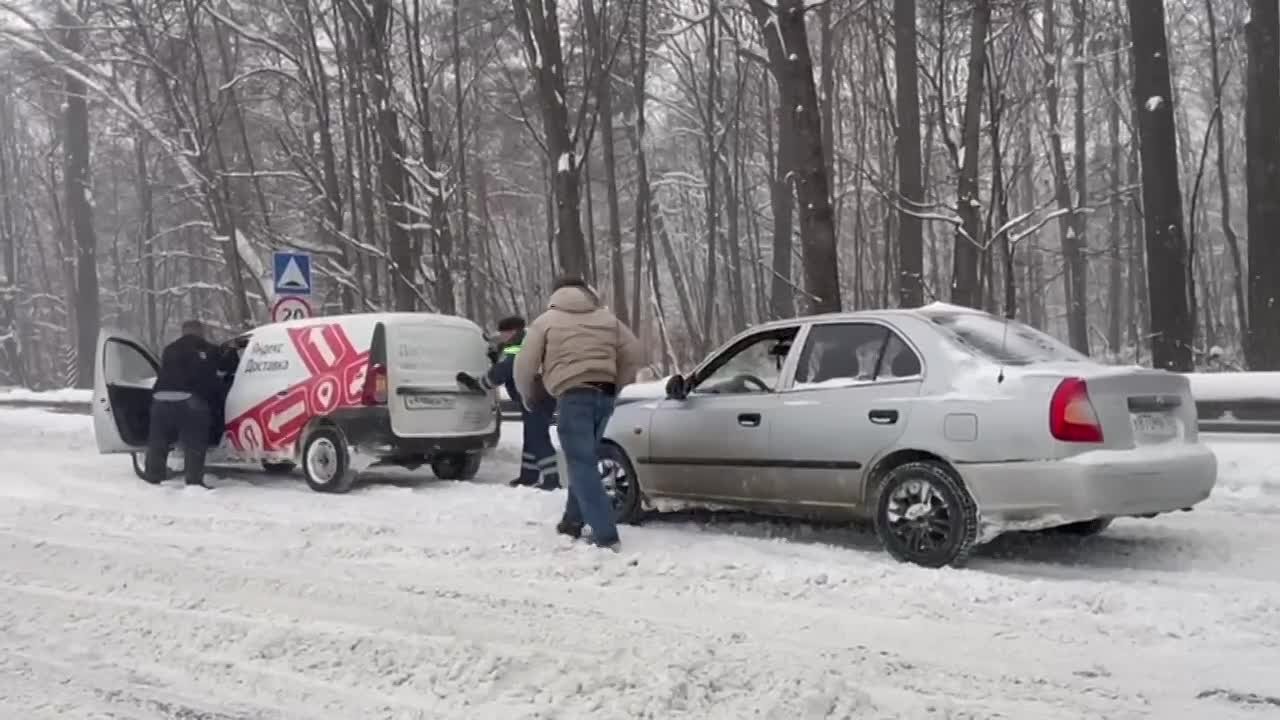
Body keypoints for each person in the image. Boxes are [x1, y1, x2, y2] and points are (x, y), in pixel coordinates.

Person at [514, 276, 643, 551]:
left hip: (573, 395)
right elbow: (634, 352)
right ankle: (572, 521)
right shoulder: (607, 320)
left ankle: (606, 535)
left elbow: (524, 365)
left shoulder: (546, 322)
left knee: (581, 462)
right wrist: (616, 385)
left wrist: (527, 395)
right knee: (584, 459)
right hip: (604, 394)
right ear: (586, 293)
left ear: (555, 294)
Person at [458, 315, 560, 490]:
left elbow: (507, 368)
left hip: (537, 397)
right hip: (534, 396)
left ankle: (552, 478)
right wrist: (496, 357)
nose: (501, 336)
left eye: (503, 333)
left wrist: (480, 384)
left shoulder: (522, 344)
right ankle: (528, 476)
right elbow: (506, 361)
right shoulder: (521, 342)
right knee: (531, 437)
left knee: (537, 437)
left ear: (513, 331)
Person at [144, 320, 225, 488]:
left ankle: (153, 477)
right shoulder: (206, 348)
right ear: (200, 331)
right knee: (195, 440)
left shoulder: (169, 348)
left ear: (183, 331)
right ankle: (194, 481)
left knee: (158, 441)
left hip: (160, 398)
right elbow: (217, 370)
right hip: (188, 399)